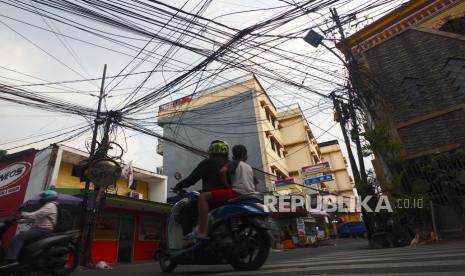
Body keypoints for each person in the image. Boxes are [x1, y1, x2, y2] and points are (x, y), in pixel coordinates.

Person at [194, 144, 257, 240]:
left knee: (202, 197)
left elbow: (222, 171)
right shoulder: (250, 168)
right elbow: (255, 183)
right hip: (250, 195)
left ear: (233, 156)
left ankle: (202, 232)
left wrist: (227, 185)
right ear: (246, 156)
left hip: (237, 192)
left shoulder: (234, 163)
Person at [173, 140, 231, 238]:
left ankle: (188, 240)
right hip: (230, 198)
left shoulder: (207, 162)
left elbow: (191, 180)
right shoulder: (232, 164)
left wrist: (178, 186)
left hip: (212, 200)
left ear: (211, 150)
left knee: (184, 210)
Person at [5, 189, 58, 263]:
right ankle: (22, 258)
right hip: (39, 228)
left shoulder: (50, 206)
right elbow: (34, 219)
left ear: (49, 197)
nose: (41, 198)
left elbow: (34, 215)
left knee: (17, 238)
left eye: (43, 196)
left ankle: (11, 261)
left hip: (43, 229)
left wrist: (21, 214)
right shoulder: (48, 205)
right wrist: (16, 221)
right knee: (22, 237)